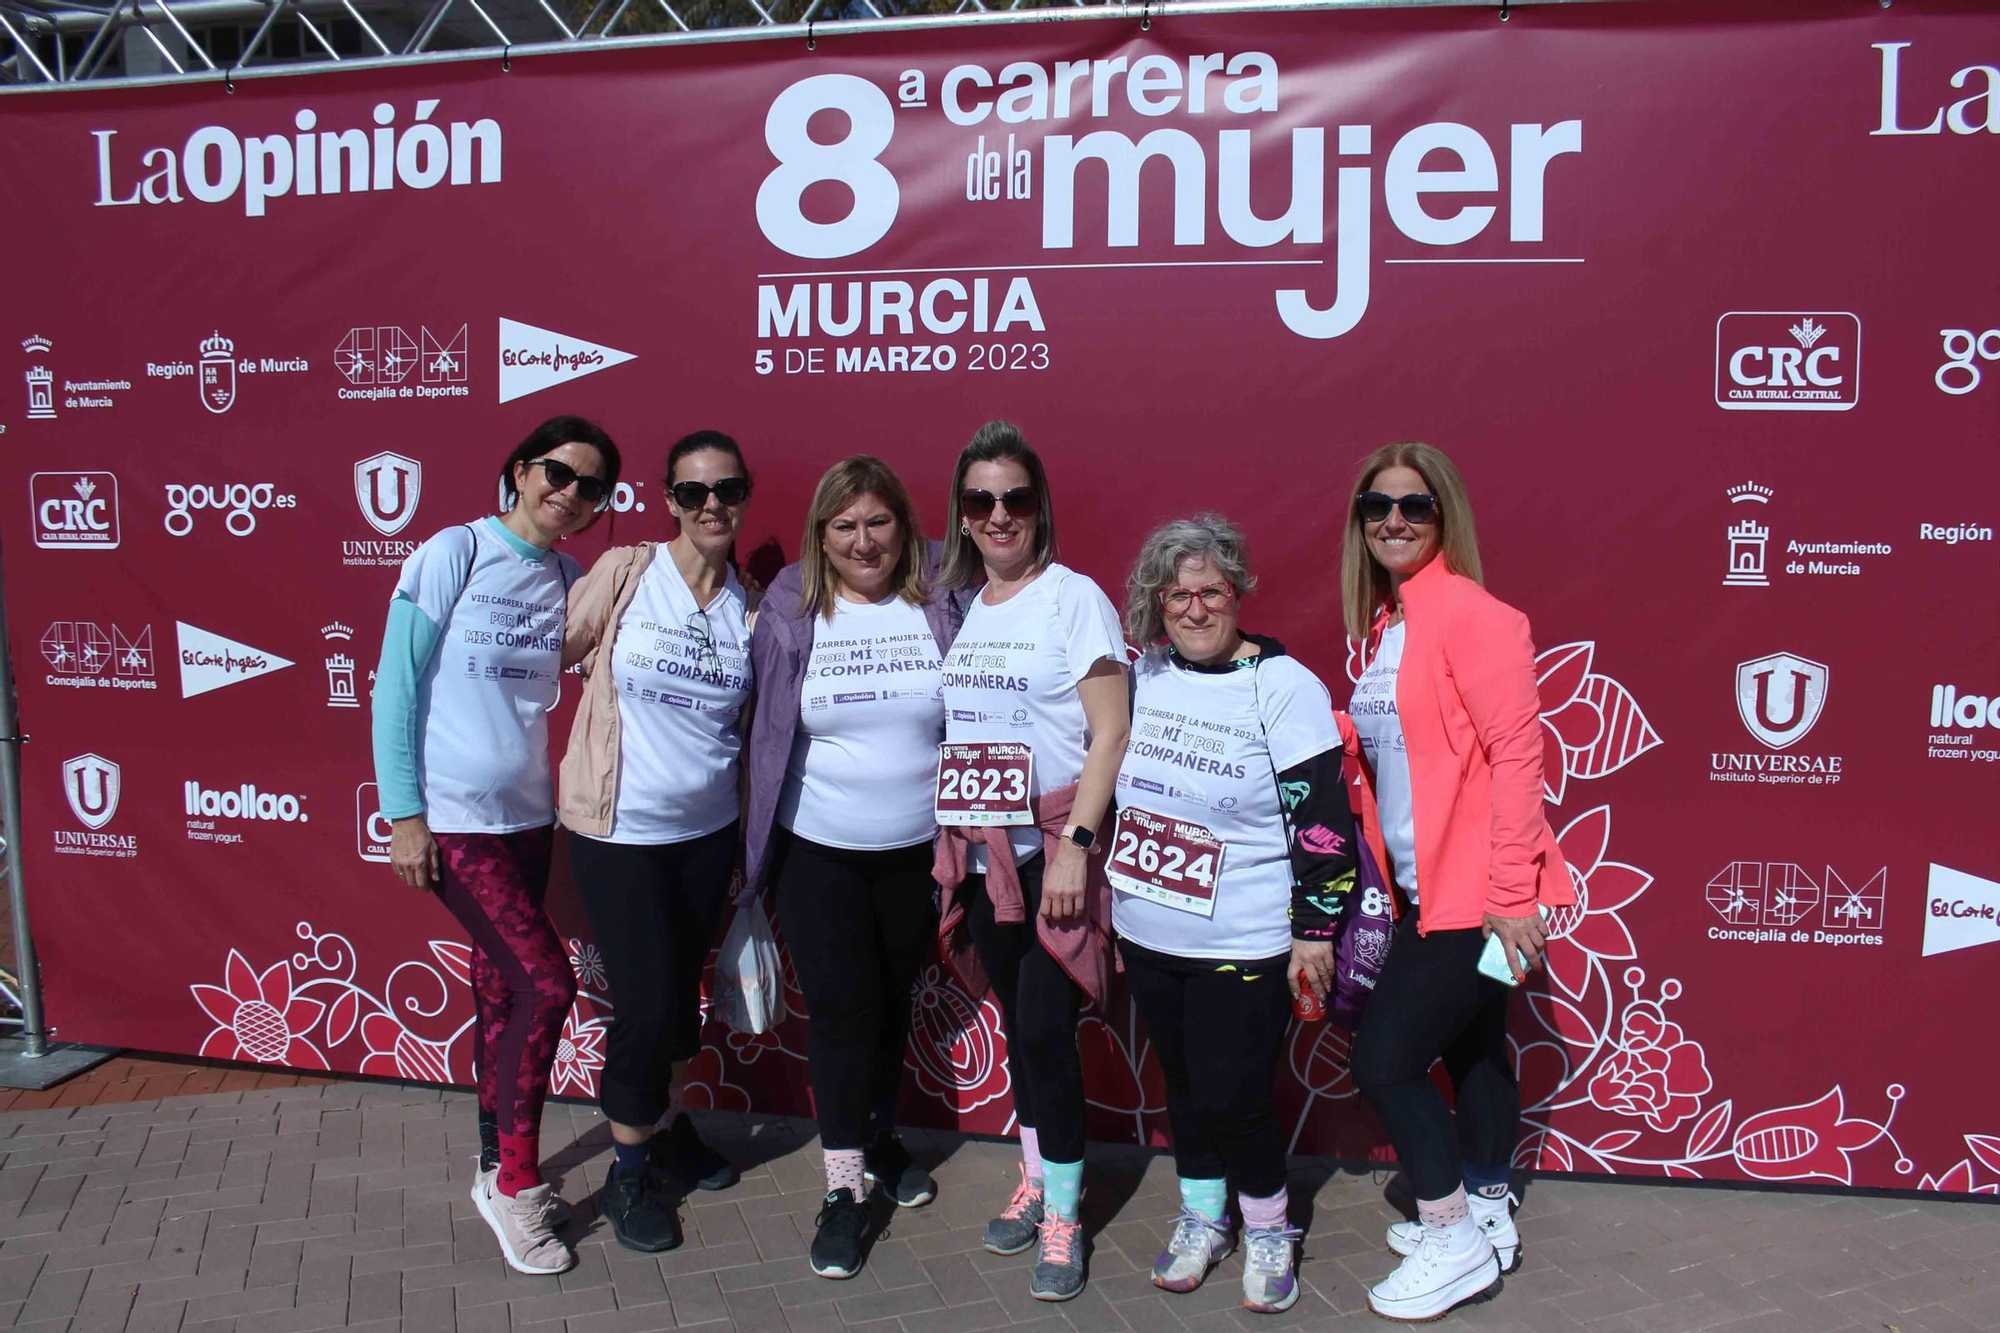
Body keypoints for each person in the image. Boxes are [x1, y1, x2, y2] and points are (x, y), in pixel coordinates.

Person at [370, 415, 621, 1277]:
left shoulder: (567, 576)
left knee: (500, 993)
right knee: (545, 982)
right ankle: (517, 1187)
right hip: (454, 817)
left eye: (591, 487)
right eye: (559, 472)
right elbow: (394, 685)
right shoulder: (454, 551)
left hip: (527, 818)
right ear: (520, 469)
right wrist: (405, 814)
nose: (570, 493)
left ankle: (491, 1163)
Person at [1340, 442, 1576, 1323]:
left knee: (1387, 1059)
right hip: (1425, 886)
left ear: (1446, 517)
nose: (1394, 519)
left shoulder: (1473, 613)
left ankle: (1454, 1238)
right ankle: (1485, 1205)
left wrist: (1511, 894)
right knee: (1475, 1046)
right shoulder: (1390, 622)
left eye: (1415, 505)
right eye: (1377, 504)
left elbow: (1520, 754)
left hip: (1477, 898)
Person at [1112, 515, 1361, 1314]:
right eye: (1176, 593)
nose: (1192, 608)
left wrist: (1314, 932)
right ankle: (1202, 1217)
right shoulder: (1142, 676)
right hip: (1149, 931)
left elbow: (1323, 824)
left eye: (1209, 590)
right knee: (1183, 1088)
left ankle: (1269, 1227)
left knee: (1235, 1095)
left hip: (1245, 937)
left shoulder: (1283, 685)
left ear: (1238, 591)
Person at [744, 456, 964, 1279]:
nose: (863, 540)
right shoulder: (792, 606)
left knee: (888, 1004)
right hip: (819, 852)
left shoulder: (943, 596)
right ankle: (842, 1190)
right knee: (840, 1012)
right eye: (844, 526)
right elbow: (760, 726)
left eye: (878, 521)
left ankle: (877, 1134)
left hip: (916, 851)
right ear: (820, 535)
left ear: (904, 526)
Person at [931, 421, 1130, 1303]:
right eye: (982, 499)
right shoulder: (971, 606)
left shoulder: (1072, 597)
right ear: (964, 516)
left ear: (1037, 505)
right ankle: (1037, 1176)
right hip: (983, 858)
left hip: (1052, 853)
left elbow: (1110, 730)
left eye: (1014, 497)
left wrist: (1077, 849)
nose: (999, 513)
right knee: (1019, 1024)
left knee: (1048, 1033)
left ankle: (1065, 1216)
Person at [558, 430, 755, 1254]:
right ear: (667, 499)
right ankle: (628, 1173)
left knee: (680, 1001)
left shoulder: (753, 603)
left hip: (706, 836)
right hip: (619, 830)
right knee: (643, 1007)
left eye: (726, 488)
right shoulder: (629, 571)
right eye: (691, 491)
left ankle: (666, 1127)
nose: (711, 504)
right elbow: (549, 652)